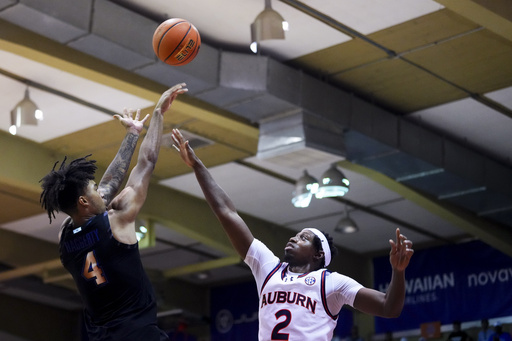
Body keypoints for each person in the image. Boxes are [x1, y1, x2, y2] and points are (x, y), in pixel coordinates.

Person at [171, 128, 415, 341]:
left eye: (304, 238)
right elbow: (227, 212)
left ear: (319, 254)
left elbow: (388, 308)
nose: (294, 238)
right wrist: (197, 166)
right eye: (296, 235)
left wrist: (398, 271)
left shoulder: (332, 283)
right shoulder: (268, 268)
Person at [40, 83, 188, 341]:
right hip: (139, 335)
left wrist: (132, 134)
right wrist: (157, 115)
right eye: (93, 188)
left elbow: (107, 188)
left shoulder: (66, 239)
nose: (101, 190)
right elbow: (147, 163)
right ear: (84, 201)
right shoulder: (117, 220)